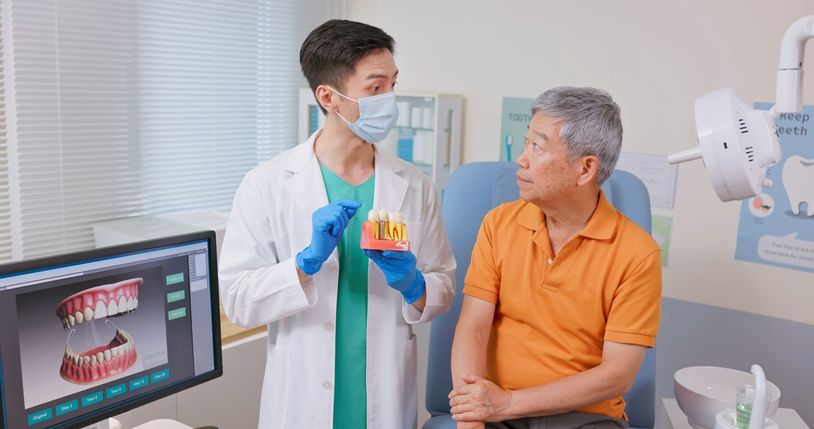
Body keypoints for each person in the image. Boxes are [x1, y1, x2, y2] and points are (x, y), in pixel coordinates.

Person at [218, 19, 455, 429]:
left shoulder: (416, 186)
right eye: (375, 88)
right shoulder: (267, 184)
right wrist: (303, 264)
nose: (390, 100)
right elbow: (238, 300)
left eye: (393, 85)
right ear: (329, 97)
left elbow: (444, 287)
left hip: (385, 400)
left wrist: (415, 284)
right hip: (302, 400)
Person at [449, 87, 661, 429]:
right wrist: (471, 416)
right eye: (525, 142)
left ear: (585, 168)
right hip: (494, 405)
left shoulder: (637, 255)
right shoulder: (499, 224)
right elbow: (473, 327)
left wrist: (509, 404)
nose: (522, 158)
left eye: (538, 146)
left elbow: (617, 376)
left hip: (584, 419)